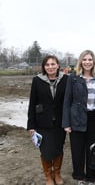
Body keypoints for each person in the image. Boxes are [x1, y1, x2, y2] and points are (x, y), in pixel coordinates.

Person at [27, 55, 68, 185]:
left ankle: (57, 173)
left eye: (53, 64)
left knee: (58, 148)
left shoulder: (66, 79)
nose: (50, 67)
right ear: (44, 67)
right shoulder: (37, 80)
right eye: (47, 65)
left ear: (58, 65)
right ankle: (48, 176)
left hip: (60, 122)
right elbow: (32, 103)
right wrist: (31, 125)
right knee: (45, 150)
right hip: (43, 122)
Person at [62, 50, 95, 185]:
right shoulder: (73, 78)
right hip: (77, 117)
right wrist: (66, 123)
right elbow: (67, 101)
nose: (87, 62)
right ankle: (79, 177)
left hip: (93, 118)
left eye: (90, 59)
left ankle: (92, 177)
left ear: (94, 62)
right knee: (77, 150)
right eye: (84, 59)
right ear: (81, 61)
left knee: (92, 149)